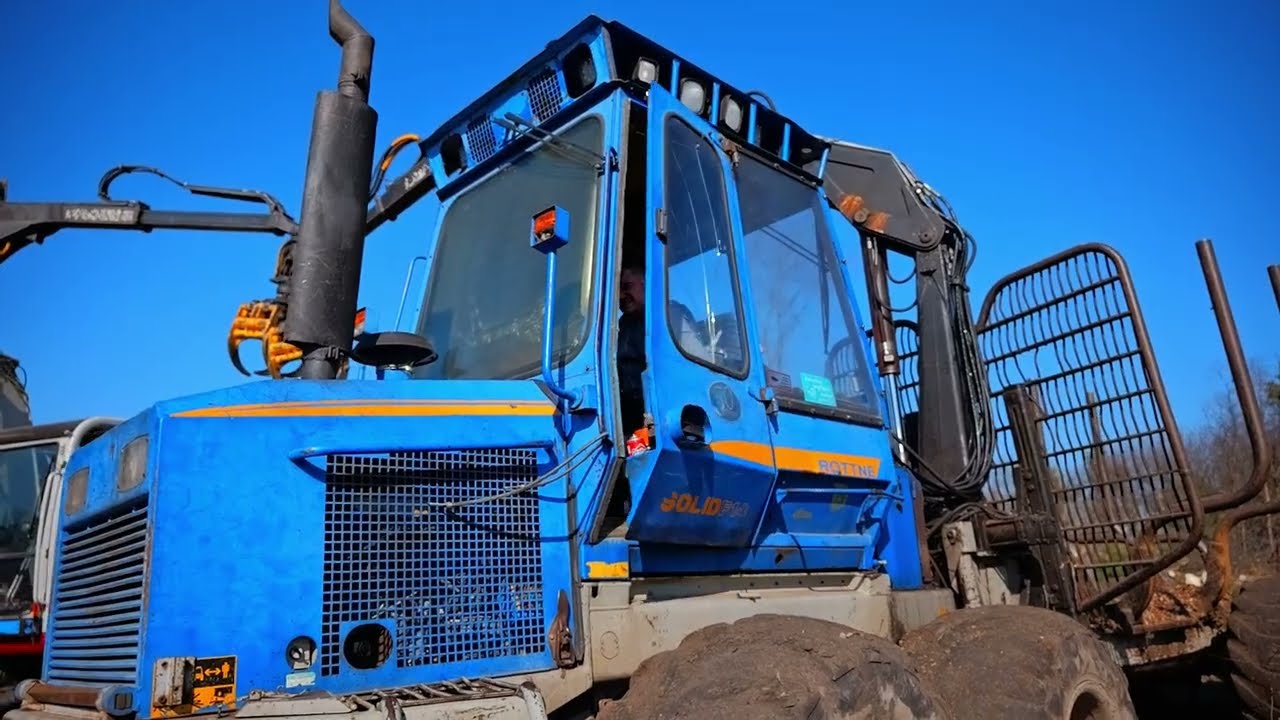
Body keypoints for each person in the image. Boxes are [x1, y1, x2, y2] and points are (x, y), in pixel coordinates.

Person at [617, 264, 646, 437]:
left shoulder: (672, 316)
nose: (621, 296)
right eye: (618, 291)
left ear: (644, 283)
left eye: (627, 286)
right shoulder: (621, 326)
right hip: (629, 418)